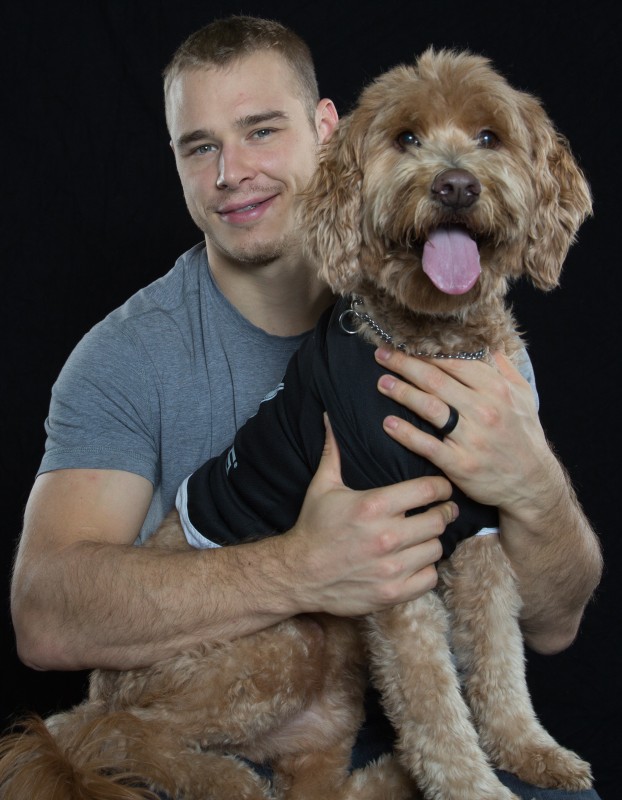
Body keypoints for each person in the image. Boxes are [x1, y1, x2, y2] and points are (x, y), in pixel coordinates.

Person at [10, 15, 602, 800]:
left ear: (328, 132)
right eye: (200, 146)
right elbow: (44, 620)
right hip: (218, 709)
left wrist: (533, 482)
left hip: (386, 718)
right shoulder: (123, 357)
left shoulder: (468, 325)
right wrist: (302, 570)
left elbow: (554, 624)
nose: (232, 171)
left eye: (260, 129)